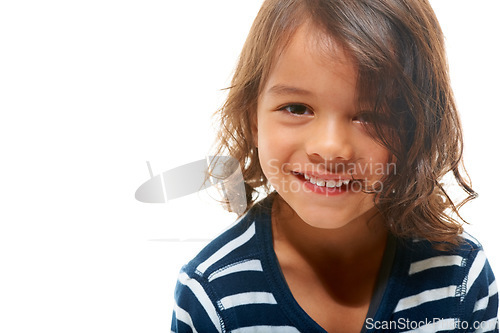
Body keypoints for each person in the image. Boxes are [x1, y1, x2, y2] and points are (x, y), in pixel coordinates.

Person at [170, 0, 499, 332]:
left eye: (370, 117)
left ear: (417, 131)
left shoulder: (460, 276)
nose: (330, 148)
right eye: (297, 108)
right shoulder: (213, 294)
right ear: (252, 117)